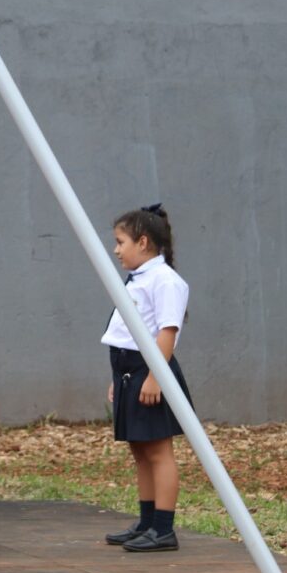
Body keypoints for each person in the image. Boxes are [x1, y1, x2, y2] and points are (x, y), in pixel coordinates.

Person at [100, 203, 192, 553]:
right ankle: (147, 520)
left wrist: (156, 376)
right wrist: (118, 378)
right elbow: (126, 330)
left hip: (150, 368)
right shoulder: (141, 277)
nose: (116, 250)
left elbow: (167, 331)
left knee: (158, 451)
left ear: (142, 242)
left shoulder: (165, 280)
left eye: (120, 242)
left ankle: (164, 527)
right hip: (129, 369)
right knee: (140, 450)